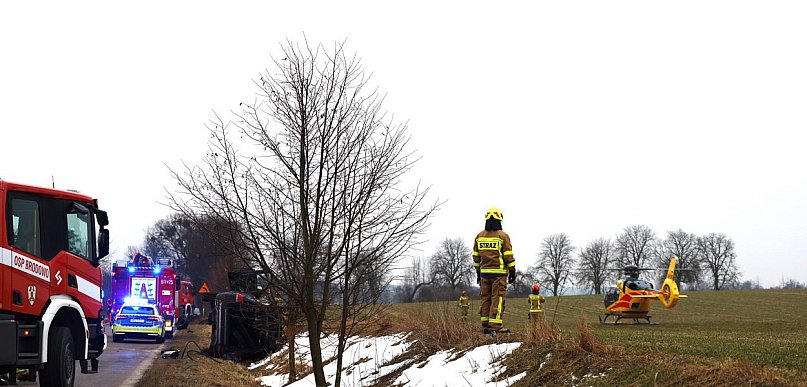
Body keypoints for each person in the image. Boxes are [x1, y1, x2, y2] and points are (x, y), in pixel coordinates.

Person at [473, 206, 516, 334]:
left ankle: (485, 324)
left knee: (485, 298)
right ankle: (496, 326)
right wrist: (512, 270)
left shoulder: (479, 236)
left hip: (484, 273)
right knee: (498, 298)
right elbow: (508, 254)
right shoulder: (503, 236)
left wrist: (478, 272)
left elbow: (476, 256)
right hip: (499, 274)